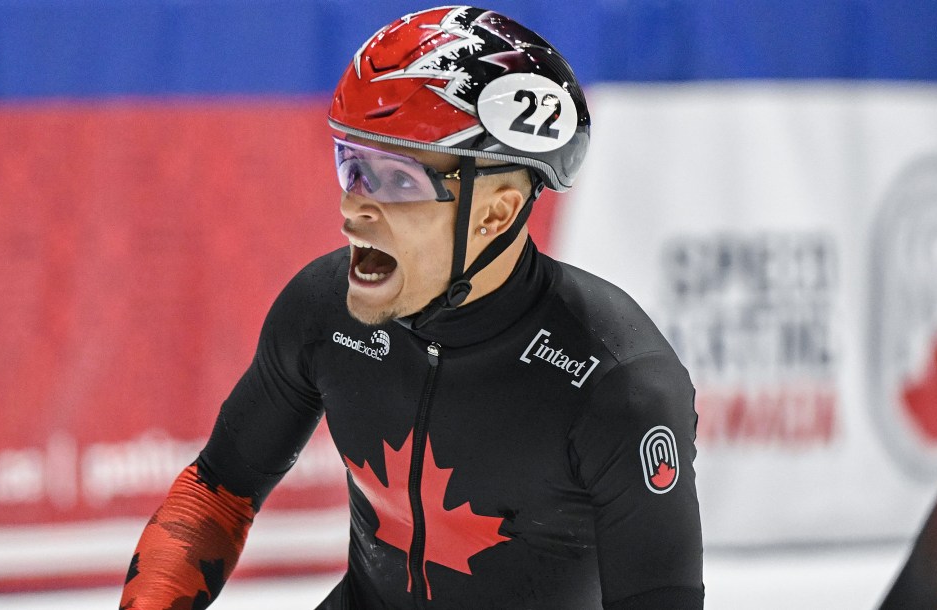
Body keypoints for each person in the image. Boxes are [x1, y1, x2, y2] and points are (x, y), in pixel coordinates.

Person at [119, 6, 704, 609]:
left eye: (398, 180)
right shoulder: (324, 311)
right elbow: (217, 492)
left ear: (494, 214)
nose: (353, 210)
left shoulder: (618, 385)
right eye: (352, 166)